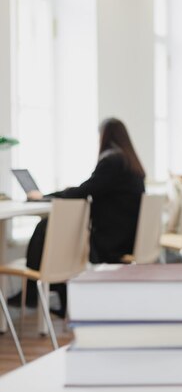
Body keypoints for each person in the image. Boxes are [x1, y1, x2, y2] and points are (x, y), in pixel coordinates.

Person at [12, 118, 145, 316]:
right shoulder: (131, 163)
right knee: (50, 229)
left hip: (110, 241)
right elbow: (92, 189)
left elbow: (85, 190)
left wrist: (45, 197)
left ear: (105, 136)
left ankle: (34, 291)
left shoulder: (112, 161)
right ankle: (53, 292)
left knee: (45, 228)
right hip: (129, 238)